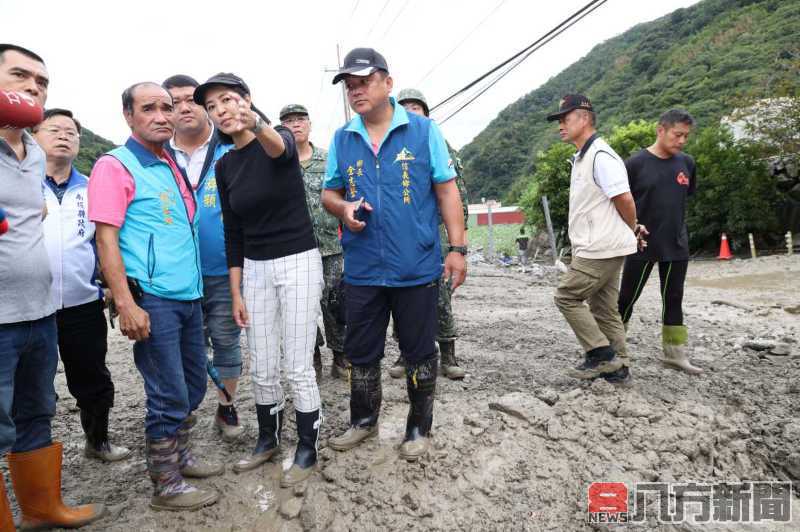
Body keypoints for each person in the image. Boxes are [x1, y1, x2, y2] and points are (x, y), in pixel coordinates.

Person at [322, 48, 467, 461]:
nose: (356, 91)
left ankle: (419, 427)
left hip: (415, 265)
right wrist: (342, 208)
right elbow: (329, 192)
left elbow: (446, 190)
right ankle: (363, 422)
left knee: (420, 350)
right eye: (350, 86)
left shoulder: (423, 132)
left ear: (388, 83)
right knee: (362, 351)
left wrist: (457, 248)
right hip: (364, 266)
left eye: (364, 82)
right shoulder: (342, 138)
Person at [89, 82, 221, 511]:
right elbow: (106, 240)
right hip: (154, 298)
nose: (163, 115)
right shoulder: (116, 165)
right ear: (129, 116)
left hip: (188, 295)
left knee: (194, 383)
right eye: (150, 108)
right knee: (168, 392)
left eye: (168, 107)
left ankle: (179, 456)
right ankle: (166, 483)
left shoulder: (170, 163)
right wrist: (126, 303)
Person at [195, 73, 323, 486]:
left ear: (247, 101)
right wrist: (236, 290)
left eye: (229, 100)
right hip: (255, 268)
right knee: (263, 365)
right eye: (213, 107)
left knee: (297, 365)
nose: (222, 111)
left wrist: (255, 123)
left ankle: (306, 447)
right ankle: (267, 440)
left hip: (298, 261)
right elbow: (233, 232)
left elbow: (282, 149)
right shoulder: (225, 165)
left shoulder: (277, 137)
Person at [0, 43, 105, 530]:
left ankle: (42, 509)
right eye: (20, 75)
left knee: (36, 412)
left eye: (41, 82)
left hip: (40, 312)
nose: (33, 87)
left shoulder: (30, 151)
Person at [34, 108, 132, 463]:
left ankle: (98, 439)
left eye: (71, 132)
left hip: (82, 303)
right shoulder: (17, 185)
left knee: (93, 377)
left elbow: (107, 242)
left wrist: (110, 286)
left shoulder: (92, 188)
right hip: (29, 307)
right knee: (33, 388)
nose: (64, 136)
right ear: (34, 136)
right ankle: (34, 457)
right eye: (54, 129)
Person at [162, 74, 245, 440]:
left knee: (226, 338)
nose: (183, 107)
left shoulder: (231, 146)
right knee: (182, 345)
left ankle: (227, 404)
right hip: (174, 274)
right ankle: (182, 412)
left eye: (190, 99)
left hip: (224, 267)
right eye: (173, 101)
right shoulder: (156, 154)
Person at [546, 94, 644, 384]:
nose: (560, 125)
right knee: (603, 307)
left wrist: (634, 227)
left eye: (566, 118)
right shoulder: (584, 156)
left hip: (600, 247)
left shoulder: (601, 155)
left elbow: (624, 198)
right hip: (603, 245)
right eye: (559, 120)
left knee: (566, 296)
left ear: (585, 118)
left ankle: (601, 354)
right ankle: (620, 367)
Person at [390, 87, 469, 381]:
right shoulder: (390, 149)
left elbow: (457, 194)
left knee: (440, 296)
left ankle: (447, 355)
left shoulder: (440, 146)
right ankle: (404, 352)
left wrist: (457, 244)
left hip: (436, 233)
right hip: (403, 236)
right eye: (405, 107)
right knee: (401, 295)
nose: (411, 112)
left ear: (426, 113)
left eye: (416, 107)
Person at [617, 109, 703, 375]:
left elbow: (684, 197)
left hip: (676, 243)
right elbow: (620, 202)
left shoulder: (687, 163)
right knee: (627, 298)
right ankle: (613, 349)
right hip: (641, 243)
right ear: (660, 130)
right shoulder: (635, 164)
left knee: (674, 297)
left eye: (686, 136)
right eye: (678, 135)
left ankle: (675, 354)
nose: (682, 141)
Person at [279, 103, 349, 380]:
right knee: (301, 308)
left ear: (309, 124)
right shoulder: (277, 162)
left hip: (331, 247)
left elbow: (343, 197)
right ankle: (314, 356)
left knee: (335, 303)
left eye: (300, 120)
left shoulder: (329, 159)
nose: (296, 125)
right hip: (295, 250)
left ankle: (341, 357)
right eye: (289, 121)